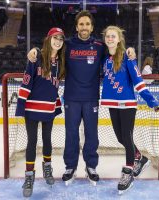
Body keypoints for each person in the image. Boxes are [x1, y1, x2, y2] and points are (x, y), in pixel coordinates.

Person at [27, 10, 136, 186]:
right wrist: (35, 50)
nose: (84, 27)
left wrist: (129, 49)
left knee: (91, 134)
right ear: (77, 26)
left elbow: (116, 52)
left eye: (87, 24)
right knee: (71, 134)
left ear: (92, 27)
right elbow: (51, 48)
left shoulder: (100, 46)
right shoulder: (67, 45)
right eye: (81, 24)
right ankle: (70, 167)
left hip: (92, 98)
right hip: (71, 98)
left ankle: (91, 166)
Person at [100, 26, 159, 194]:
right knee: (120, 137)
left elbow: (139, 82)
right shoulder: (104, 58)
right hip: (112, 104)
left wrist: (152, 101)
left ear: (119, 39)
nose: (110, 38)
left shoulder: (128, 58)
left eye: (113, 36)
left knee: (127, 137)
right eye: (108, 36)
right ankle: (140, 158)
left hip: (127, 104)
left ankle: (128, 173)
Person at [15, 27, 66, 197]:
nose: (58, 41)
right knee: (32, 142)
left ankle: (47, 169)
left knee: (47, 140)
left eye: (61, 39)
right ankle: (29, 176)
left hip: (49, 108)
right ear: (48, 38)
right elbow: (26, 82)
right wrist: (21, 107)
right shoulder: (36, 57)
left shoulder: (61, 62)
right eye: (55, 38)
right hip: (32, 108)